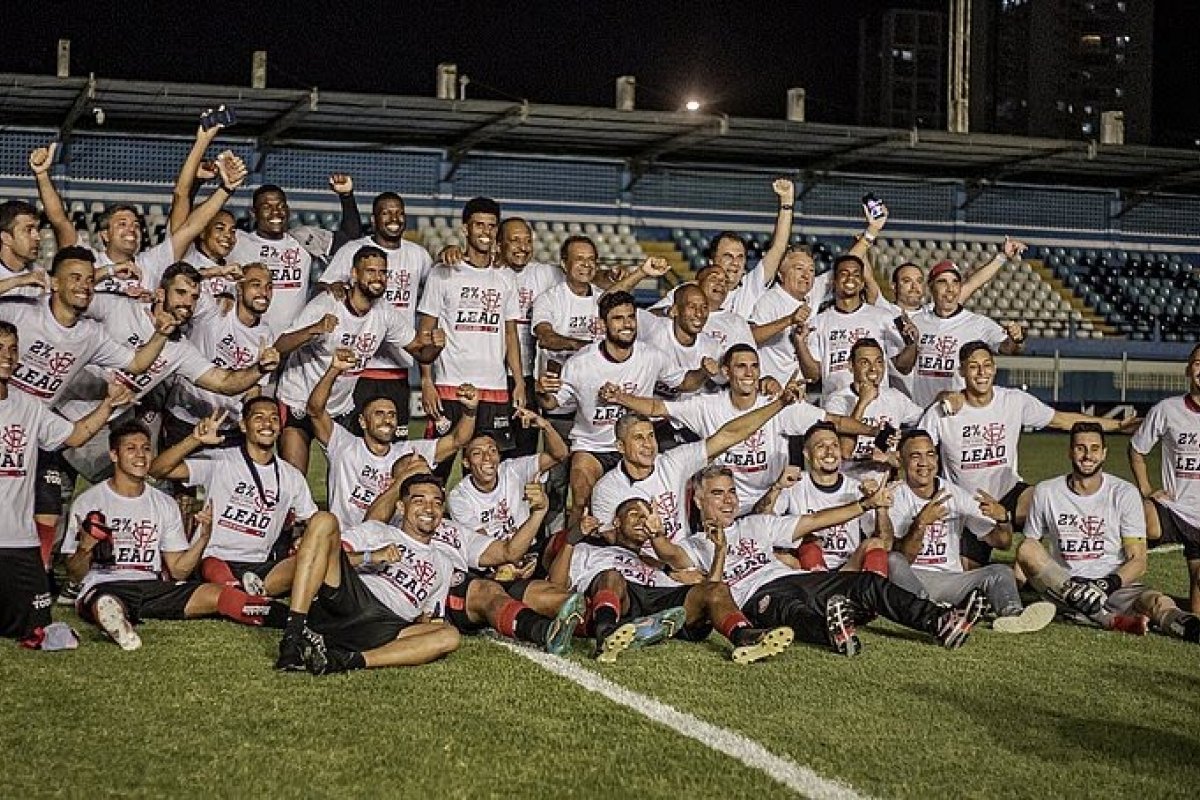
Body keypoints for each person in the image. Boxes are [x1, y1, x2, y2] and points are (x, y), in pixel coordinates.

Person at [676, 465, 985, 656]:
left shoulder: (755, 524)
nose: (729, 500)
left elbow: (814, 521)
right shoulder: (689, 547)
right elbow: (703, 592)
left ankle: (938, 621)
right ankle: (834, 634)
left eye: (731, 492)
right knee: (791, 612)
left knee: (867, 582)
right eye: (718, 494)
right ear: (699, 500)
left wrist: (865, 504)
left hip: (792, 578)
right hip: (757, 597)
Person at [918, 340, 1139, 567]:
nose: (982, 372)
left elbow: (1063, 420)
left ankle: (1059, 568)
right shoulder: (942, 412)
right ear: (962, 371)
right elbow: (916, 448)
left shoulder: (1013, 401)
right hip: (967, 501)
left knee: (1050, 499)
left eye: (987, 365)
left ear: (994, 368)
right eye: (973, 366)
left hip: (1009, 493)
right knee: (966, 572)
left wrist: (1118, 425)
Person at [61, 422, 276, 651]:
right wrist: (85, 547)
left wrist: (203, 538)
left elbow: (178, 570)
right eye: (131, 449)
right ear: (114, 455)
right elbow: (74, 574)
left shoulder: (164, 503)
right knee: (103, 600)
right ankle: (115, 619)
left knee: (216, 594)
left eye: (145, 448)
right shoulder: (89, 502)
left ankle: (278, 615)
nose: (141, 456)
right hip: (106, 583)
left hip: (151, 585)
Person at [605, 344, 877, 516]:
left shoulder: (778, 404)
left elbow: (836, 422)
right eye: (741, 367)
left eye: (754, 366)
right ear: (726, 371)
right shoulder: (707, 406)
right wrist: (619, 398)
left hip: (772, 500)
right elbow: (657, 409)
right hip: (722, 506)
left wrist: (876, 432)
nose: (749, 373)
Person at [0, 320, 135, 649]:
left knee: (38, 628)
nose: (6, 356)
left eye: (12, 349)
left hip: (19, 543)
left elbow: (74, 435)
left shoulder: (29, 407)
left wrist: (107, 406)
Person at [550, 497, 794, 664]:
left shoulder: (656, 560)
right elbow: (557, 585)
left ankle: (745, 637)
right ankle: (607, 634)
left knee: (716, 588)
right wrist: (572, 540)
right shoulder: (590, 550)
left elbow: (711, 591)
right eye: (634, 514)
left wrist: (720, 551)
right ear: (616, 522)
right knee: (612, 576)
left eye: (646, 515)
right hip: (621, 598)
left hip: (660, 600)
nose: (641, 520)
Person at [1018, 423, 1200, 642]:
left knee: (1157, 602)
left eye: (1094, 449)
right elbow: (1029, 552)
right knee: (1026, 547)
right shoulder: (1046, 491)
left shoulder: (1124, 494)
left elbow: (1138, 561)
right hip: (1064, 584)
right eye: (1080, 448)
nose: (1088, 455)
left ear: (1104, 453)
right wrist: (1012, 589)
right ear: (1070, 451)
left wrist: (1104, 585)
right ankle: (1105, 618)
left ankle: (1190, 629)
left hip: (1114, 586)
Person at [274, 245, 443, 474]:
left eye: (383, 272)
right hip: (299, 399)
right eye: (370, 271)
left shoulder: (384, 313)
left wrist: (436, 347)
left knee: (353, 476)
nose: (378, 278)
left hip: (339, 407)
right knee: (293, 478)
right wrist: (314, 329)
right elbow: (279, 347)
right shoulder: (328, 304)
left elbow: (421, 352)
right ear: (354, 274)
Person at [274, 474, 464, 674]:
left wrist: (427, 626)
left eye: (436, 503)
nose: (429, 509)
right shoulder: (378, 531)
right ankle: (292, 639)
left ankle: (343, 661)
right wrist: (370, 557)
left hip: (388, 626)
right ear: (401, 507)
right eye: (419, 501)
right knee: (323, 520)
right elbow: (324, 553)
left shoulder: (444, 563)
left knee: (449, 635)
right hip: (352, 599)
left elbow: (429, 617)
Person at [589, 372, 809, 543]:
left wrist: (780, 404)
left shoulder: (674, 463)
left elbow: (728, 435)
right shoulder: (607, 489)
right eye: (638, 438)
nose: (648, 445)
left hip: (686, 559)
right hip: (642, 571)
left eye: (651, 436)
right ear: (620, 446)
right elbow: (614, 542)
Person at [536, 290, 689, 530]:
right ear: (602, 324)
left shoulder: (651, 357)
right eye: (618, 318)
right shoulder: (580, 363)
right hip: (592, 446)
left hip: (634, 445)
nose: (627, 324)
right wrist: (543, 391)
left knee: (640, 508)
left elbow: (684, 383)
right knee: (581, 499)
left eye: (631, 317)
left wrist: (706, 372)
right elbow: (552, 403)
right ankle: (575, 554)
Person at [884, 429, 1055, 633]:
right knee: (892, 560)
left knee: (999, 571)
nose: (924, 463)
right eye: (915, 456)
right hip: (913, 578)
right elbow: (904, 557)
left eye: (930, 454)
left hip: (950, 579)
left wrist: (1002, 519)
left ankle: (1013, 616)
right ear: (901, 460)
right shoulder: (894, 497)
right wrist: (920, 524)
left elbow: (1002, 542)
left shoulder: (954, 494)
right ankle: (932, 612)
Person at [149, 398, 321, 597]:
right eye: (259, 417)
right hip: (213, 558)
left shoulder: (291, 476)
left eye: (273, 419)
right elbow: (157, 470)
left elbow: (312, 519)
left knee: (310, 560)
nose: (267, 424)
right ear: (243, 425)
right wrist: (194, 440)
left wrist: (303, 540)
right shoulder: (221, 460)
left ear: (280, 427)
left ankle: (242, 592)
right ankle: (242, 592)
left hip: (259, 564)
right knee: (212, 566)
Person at [32, 140, 245, 297]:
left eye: (135, 225)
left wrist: (226, 189)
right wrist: (42, 175)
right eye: (122, 224)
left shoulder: (151, 263)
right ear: (104, 234)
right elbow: (59, 219)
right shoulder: (88, 261)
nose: (131, 229)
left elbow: (190, 227)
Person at [310, 346, 478, 530]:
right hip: (348, 539)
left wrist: (470, 410)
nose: (387, 420)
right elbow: (315, 410)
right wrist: (334, 370)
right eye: (379, 414)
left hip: (391, 544)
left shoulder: (407, 452)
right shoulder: (343, 444)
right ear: (363, 421)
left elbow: (457, 441)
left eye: (392, 414)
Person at [418, 198, 523, 478]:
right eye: (479, 225)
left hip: (495, 389)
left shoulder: (505, 278)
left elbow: (510, 334)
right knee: (434, 472)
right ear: (466, 229)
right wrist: (427, 381)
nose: (485, 232)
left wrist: (519, 382)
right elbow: (425, 333)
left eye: (491, 226)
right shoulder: (443, 273)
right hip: (450, 386)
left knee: (486, 474)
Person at [318, 185, 433, 427]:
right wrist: (333, 287)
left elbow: (436, 292)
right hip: (358, 369)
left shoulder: (419, 255)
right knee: (353, 448)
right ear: (374, 219)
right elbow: (322, 290)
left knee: (395, 447)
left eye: (399, 213)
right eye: (386, 213)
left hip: (397, 368)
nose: (394, 218)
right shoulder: (353, 250)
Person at [758, 421, 890, 575]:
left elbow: (886, 545)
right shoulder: (794, 485)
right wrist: (776, 488)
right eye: (820, 446)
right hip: (807, 570)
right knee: (809, 544)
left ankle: (873, 595)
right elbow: (760, 527)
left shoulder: (857, 488)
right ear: (807, 454)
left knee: (875, 544)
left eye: (834, 445)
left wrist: (881, 508)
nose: (829, 452)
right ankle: (822, 591)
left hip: (848, 569)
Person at [1128, 343, 1200, 613]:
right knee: (1143, 519)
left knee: (1196, 612)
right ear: (1187, 369)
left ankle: (1164, 605)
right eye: (1197, 362)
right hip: (1173, 509)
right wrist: (1146, 489)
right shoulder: (1168, 409)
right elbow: (1136, 449)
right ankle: (1099, 580)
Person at [447, 407, 568, 558]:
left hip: (528, 550)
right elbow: (483, 547)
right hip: (494, 559)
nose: (487, 458)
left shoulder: (513, 470)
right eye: (477, 453)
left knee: (564, 547)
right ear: (466, 462)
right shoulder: (459, 497)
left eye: (492, 451)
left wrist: (546, 426)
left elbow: (560, 454)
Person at [906, 259, 1025, 406]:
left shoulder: (978, 323)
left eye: (955, 282)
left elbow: (1008, 348)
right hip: (921, 413)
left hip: (960, 414)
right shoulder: (917, 321)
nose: (950, 288)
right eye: (942, 282)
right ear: (930, 287)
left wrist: (1016, 339)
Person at [797, 254, 916, 402]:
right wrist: (800, 343)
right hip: (836, 407)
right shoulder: (818, 322)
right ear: (834, 282)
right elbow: (813, 376)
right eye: (844, 274)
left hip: (876, 405)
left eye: (856, 274)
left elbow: (904, 367)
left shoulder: (883, 317)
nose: (850, 278)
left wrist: (912, 343)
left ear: (861, 283)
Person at [824, 337, 923, 483]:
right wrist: (863, 402)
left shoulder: (894, 396)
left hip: (887, 484)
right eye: (865, 362)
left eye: (879, 362)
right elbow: (844, 452)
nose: (873, 368)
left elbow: (926, 420)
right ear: (851, 366)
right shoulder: (838, 401)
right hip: (850, 484)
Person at [229, 184, 312, 332]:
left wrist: (346, 196)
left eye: (281, 206)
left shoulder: (303, 242)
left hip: (291, 344)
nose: (276, 212)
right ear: (254, 213)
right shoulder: (237, 241)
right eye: (267, 207)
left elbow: (349, 237)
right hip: (247, 338)